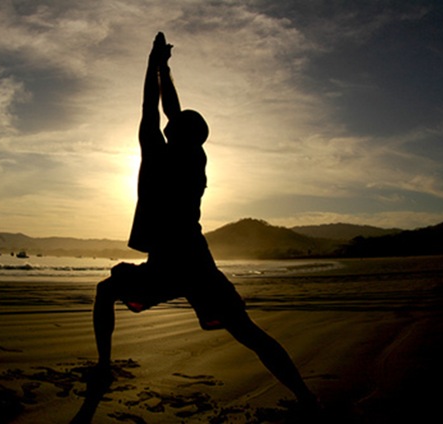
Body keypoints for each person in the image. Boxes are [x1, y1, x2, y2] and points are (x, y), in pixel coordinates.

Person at [92, 32, 317, 407]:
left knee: (106, 291)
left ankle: (103, 366)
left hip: (168, 261)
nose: (170, 121)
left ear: (178, 133)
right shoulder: (196, 158)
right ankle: (305, 396)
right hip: (195, 260)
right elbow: (172, 111)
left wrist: (152, 65)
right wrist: (165, 69)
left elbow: (152, 107)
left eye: (176, 123)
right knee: (248, 332)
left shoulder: (158, 154)